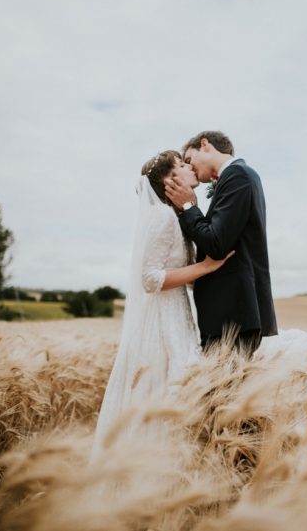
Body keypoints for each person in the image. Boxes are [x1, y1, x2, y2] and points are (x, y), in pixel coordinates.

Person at [89, 150, 234, 462]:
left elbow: (180, 272)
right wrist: (206, 268)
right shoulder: (162, 217)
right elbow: (150, 279)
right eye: (182, 165)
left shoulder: (177, 215)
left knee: (177, 400)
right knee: (164, 396)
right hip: (161, 324)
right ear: (170, 181)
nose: (189, 166)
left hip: (179, 316)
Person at [165, 131, 278, 358]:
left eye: (189, 160)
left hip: (232, 315)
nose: (191, 168)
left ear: (205, 144)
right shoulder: (237, 176)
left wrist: (188, 207)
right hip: (229, 315)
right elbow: (219, 235)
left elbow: (216, 244)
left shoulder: (238, 175)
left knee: (225, 392)